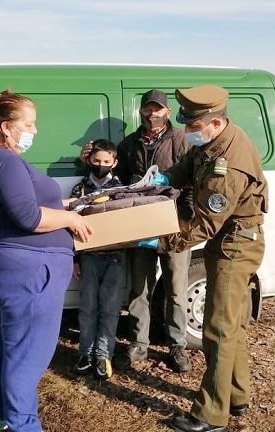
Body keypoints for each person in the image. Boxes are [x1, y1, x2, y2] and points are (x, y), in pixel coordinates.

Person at [0, 90, 93, 432]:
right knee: (27, 356)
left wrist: (67, 206)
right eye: (28, 124)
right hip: (29, 270)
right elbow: (28, 217)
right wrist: (70, 220)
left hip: (17, 265)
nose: (34, 131)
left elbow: (26, 204)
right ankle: (23, 425)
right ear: (5, 126)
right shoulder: (6, 160)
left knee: (9, 347)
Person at [159, 85, 268, 432]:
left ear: (215, 122)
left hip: (235, 245)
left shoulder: (228, 166)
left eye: (192, 127)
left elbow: (206, 223)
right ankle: (236, 395)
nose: (188, 133)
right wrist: (163, 178)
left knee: (217, 328)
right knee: (231, 325)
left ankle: (210, 415)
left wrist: (164, 241)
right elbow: (188, 165)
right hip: (230, 241)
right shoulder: (213, 143)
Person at [81, 89, 193, 373]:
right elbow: (113, 178)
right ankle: (138, 344)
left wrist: (186, 218)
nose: (152, 113)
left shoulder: (181, 140)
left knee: (176, 290)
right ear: (142, 111)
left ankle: (177, 346)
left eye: (157, 109)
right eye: (147, 108)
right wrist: (85, 161)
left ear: (167, 112)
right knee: (139, 289)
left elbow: (194, 180)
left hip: (173, 227)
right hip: (140, 225)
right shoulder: (130, 143)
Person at [70, 139, 126, 380]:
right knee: (88, 307)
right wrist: (75, 259)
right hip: (89, 257)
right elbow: (70, 224)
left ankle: (104, 354)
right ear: (88, 161)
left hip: (115, 257)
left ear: (114, 163)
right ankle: (85, 352)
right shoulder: (79, 189)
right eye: (96, 161)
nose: (101, 165)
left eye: (106, 162)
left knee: (110, 308)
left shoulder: (121, 190)